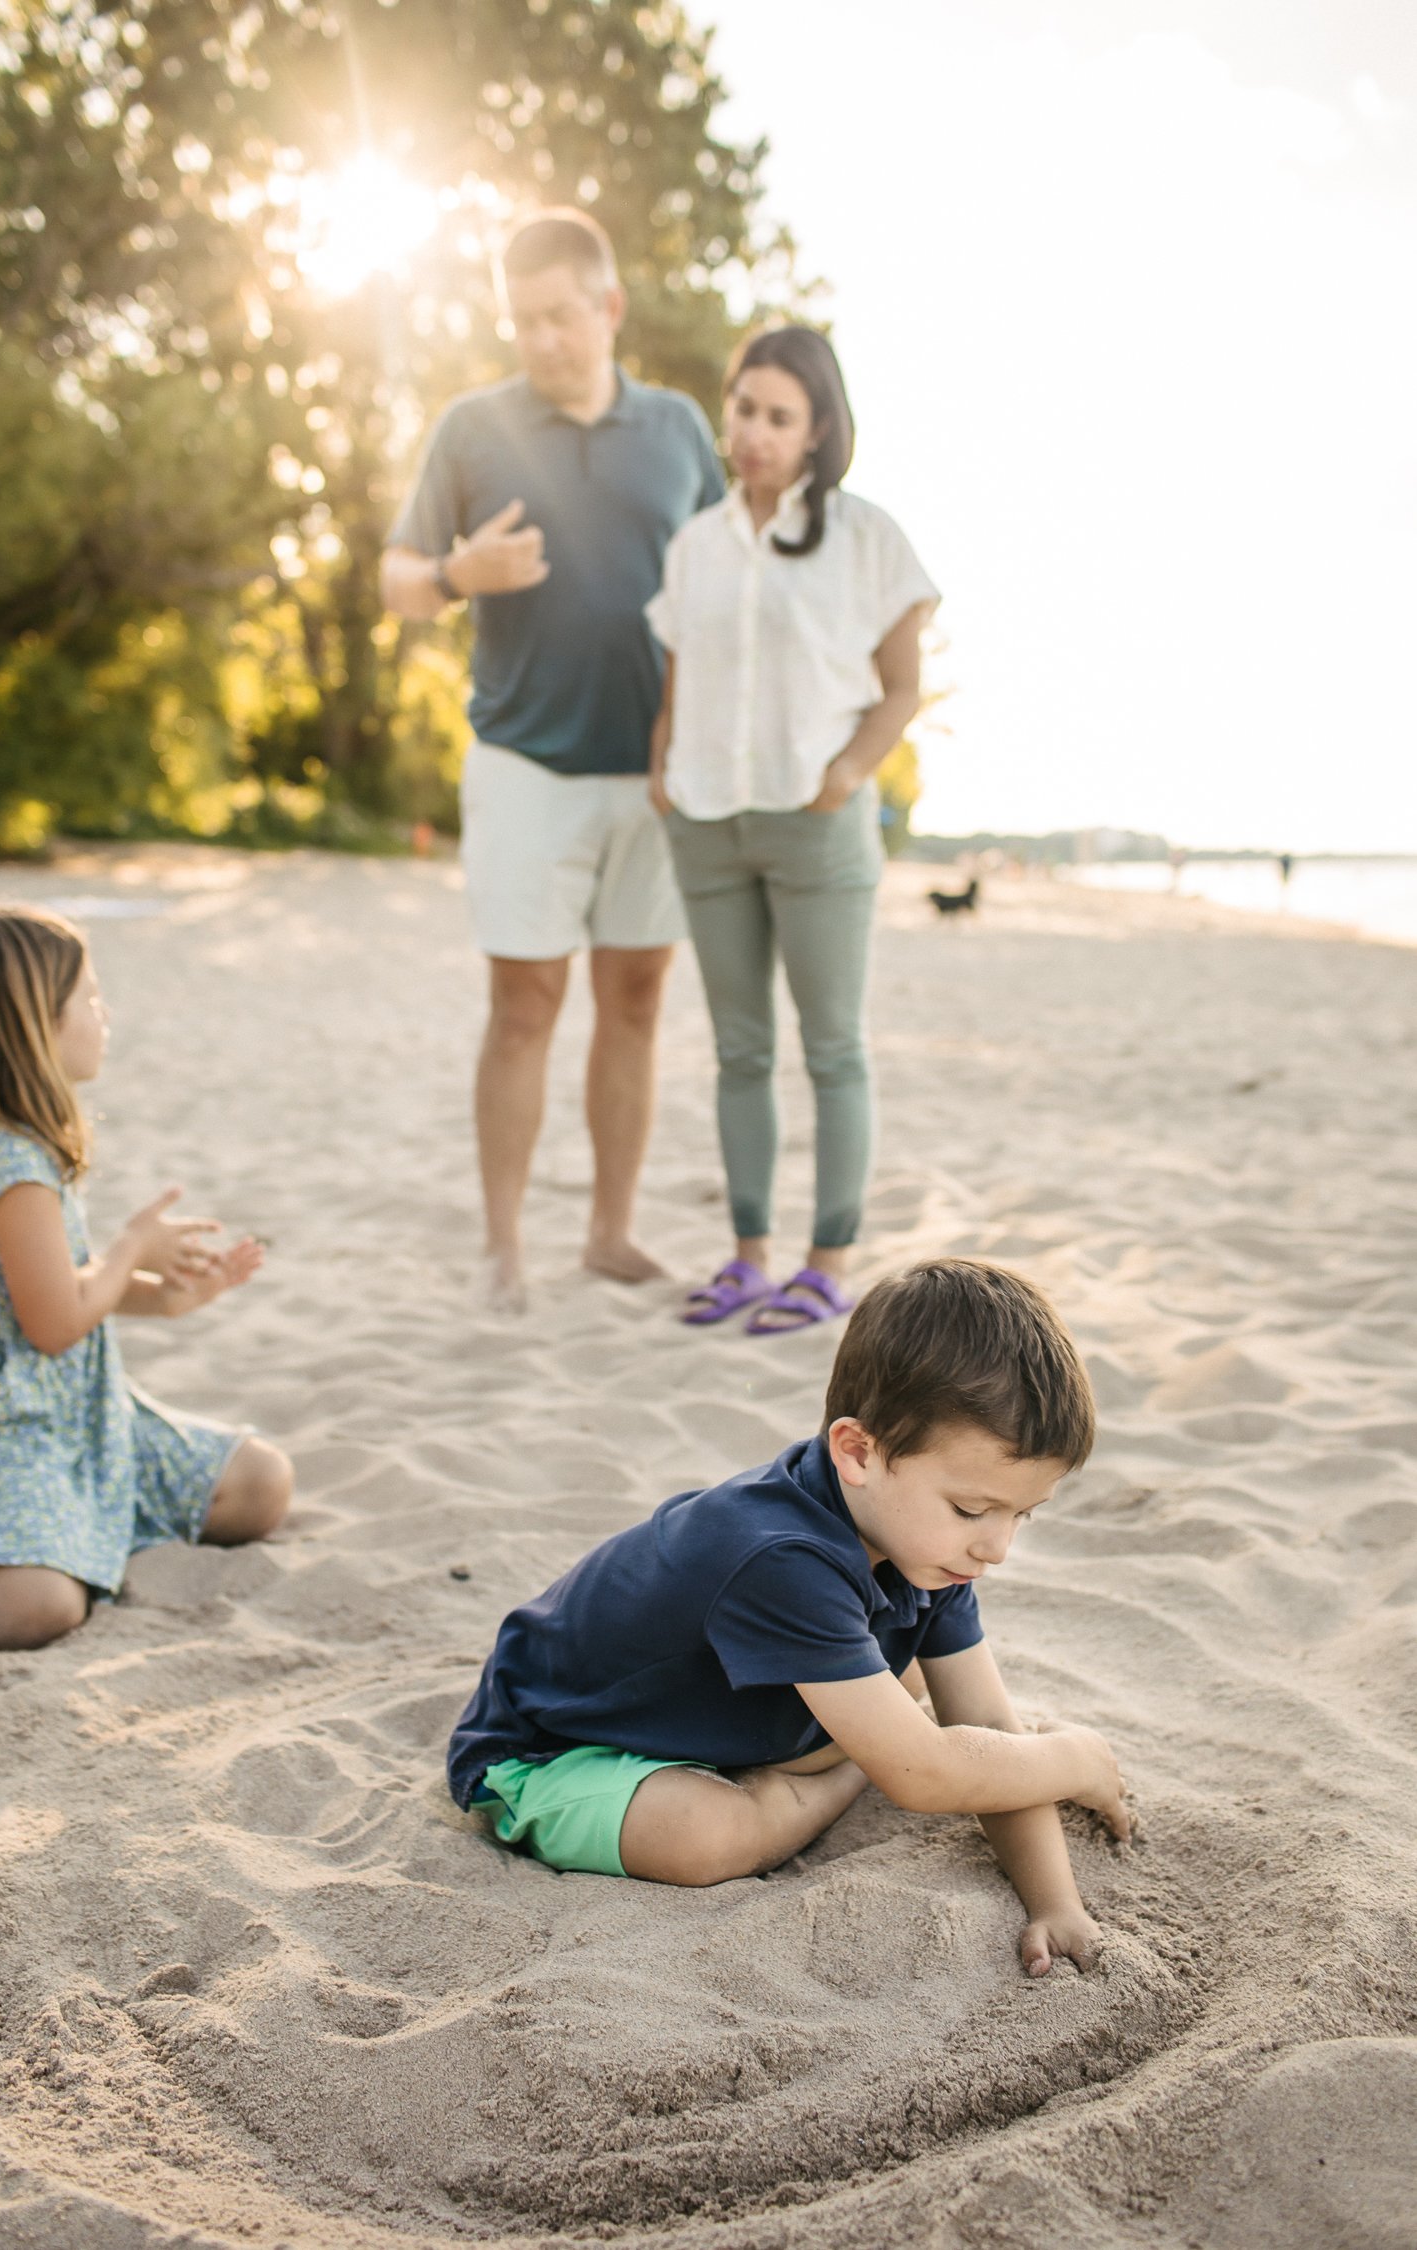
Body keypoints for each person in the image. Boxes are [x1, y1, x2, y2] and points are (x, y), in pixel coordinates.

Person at [448, 1259, 1130, 1976]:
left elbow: (988, 1732)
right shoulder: (779, 1558)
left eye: (1022, 1513)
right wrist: (1072, 1759)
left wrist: (1057, 1904)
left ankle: (868, 1744)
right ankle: (848, 1768)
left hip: (715, 1718)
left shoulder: (933, 1550)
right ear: (857, 1450)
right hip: (549, 1750)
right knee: (703, 1836)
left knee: (922, 1713)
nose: (996, 1546)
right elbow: (931, 1775)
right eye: (972, 1508)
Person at [381, 209, 724, 1311]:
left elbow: (731, 578)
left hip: (657, 770)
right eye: (521, 322)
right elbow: (396, 579)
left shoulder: (678, 430)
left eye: (560, 318)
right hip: (525, 761)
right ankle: (502, 1247)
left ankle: (611, 1234)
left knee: (635, 996)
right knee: (524, 1004)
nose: (540, 341)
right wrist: (453, 574)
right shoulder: (472, 428)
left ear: (610, 307)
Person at [646, 326, 940, 1334]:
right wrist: (663, 770)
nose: (755, 432)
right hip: (709, 825)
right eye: (744, 409)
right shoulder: (695, 545)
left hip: (818, 826)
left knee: (832, 1050)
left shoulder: (868, 538)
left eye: (780, 416)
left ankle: (827, 1262)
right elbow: (680, 675)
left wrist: (848, 773)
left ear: (817, 431)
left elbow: (902, 688)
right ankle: (746, 1258)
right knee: (739, 1049)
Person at [0, 905, 293, 1651]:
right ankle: (37, 1545)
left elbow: (55, 1289)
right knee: (38, 1608)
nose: (104, 1011)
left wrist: (168, 1296)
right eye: (88, 998)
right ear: (32, 1027)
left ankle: (74, 1528)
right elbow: (53, 1325)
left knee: (259, 1483)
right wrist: (133, 1247)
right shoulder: (6, 1164)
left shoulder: (17, 1142)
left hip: (83, 1414)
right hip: (9, 1428)